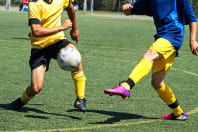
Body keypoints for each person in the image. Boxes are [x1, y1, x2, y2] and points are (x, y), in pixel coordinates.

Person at [104, 0, 198, 120]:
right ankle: (178, 112)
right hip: (163, 36)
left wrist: (192, 40)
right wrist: (125, 8)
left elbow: (192, 18)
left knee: (149, 55)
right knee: (157, 82)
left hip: (173, 34)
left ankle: (126, 86)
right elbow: (130, 10)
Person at [7, 0, 87, 112]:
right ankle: (21, 101)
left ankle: (81, 98)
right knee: (36, 88)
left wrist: (75, 28)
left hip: (57, 41)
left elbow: (71, 8)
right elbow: (36, 31)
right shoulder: (34, 4)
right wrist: (61, 27)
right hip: (40, 47)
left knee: (75, 56)